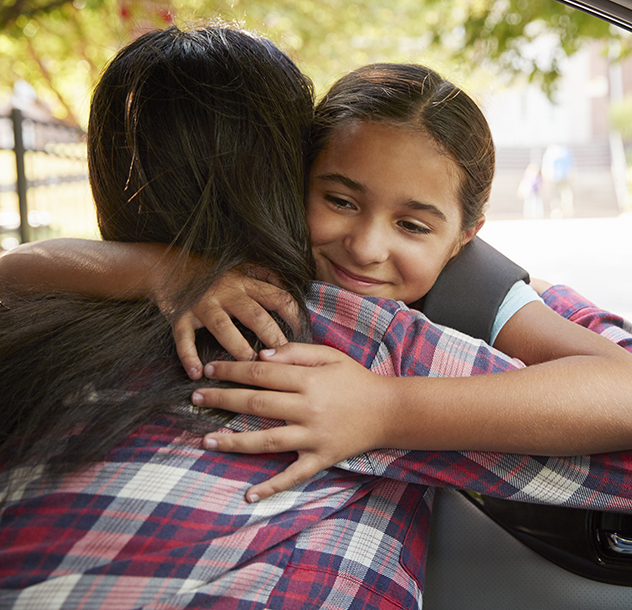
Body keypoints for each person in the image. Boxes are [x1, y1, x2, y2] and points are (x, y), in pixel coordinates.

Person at [3, 23, 632, 610]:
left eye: (413, 224)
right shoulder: (344, 336)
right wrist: (390, 406)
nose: (364, 247)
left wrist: (149, 269)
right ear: (290, 178)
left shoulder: (36, 320)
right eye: (337, 200)